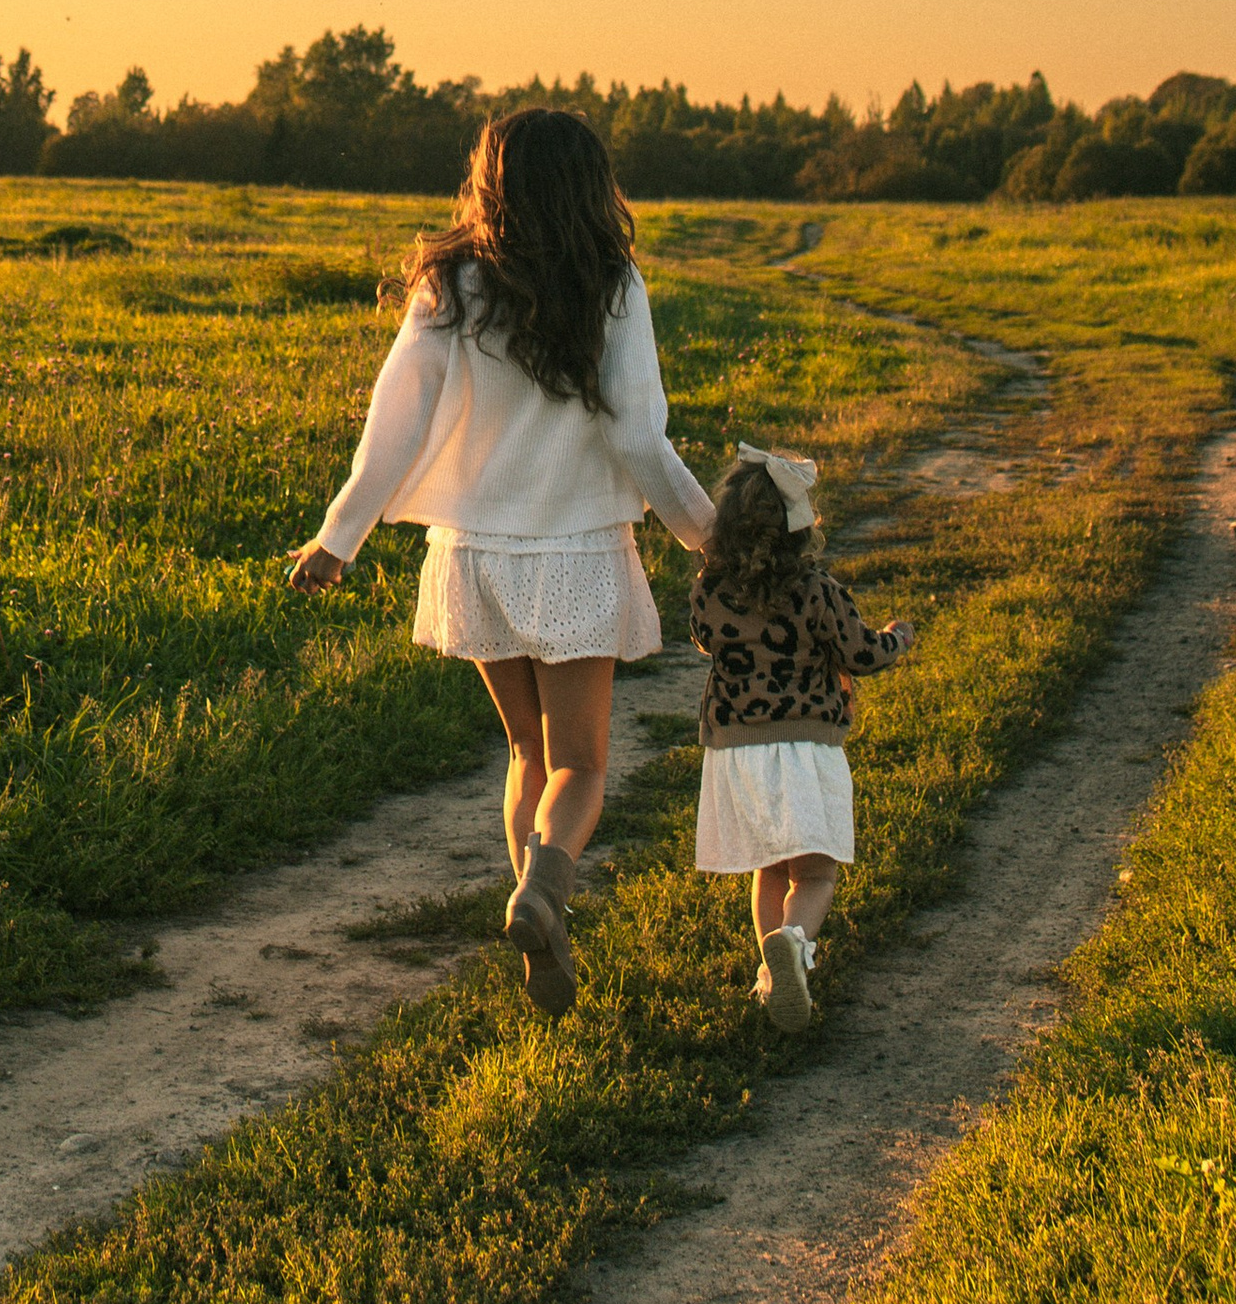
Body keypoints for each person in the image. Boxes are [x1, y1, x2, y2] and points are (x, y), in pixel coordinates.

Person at [288, 107, 718, 1016]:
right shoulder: (612, 282)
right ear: (591, 185)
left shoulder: (451, 282)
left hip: (474, 557)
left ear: (492, 179)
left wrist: (340, 535)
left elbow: (395, 416)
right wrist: (708, 536)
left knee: (525, 748)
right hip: (577, 556)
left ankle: (533, 903)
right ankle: (546, 890)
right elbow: (641, 435)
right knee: (583, 764)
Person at [688, 449, 913, 1033]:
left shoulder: (711, 590)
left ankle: (771, 977)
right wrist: (897, 639)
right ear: (799, 528)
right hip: (805, 747)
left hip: (736, 749)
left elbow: (704, 639)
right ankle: (794, 943)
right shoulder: (818, 590)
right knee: (814, 874)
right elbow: (860, 654)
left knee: (768, 867)